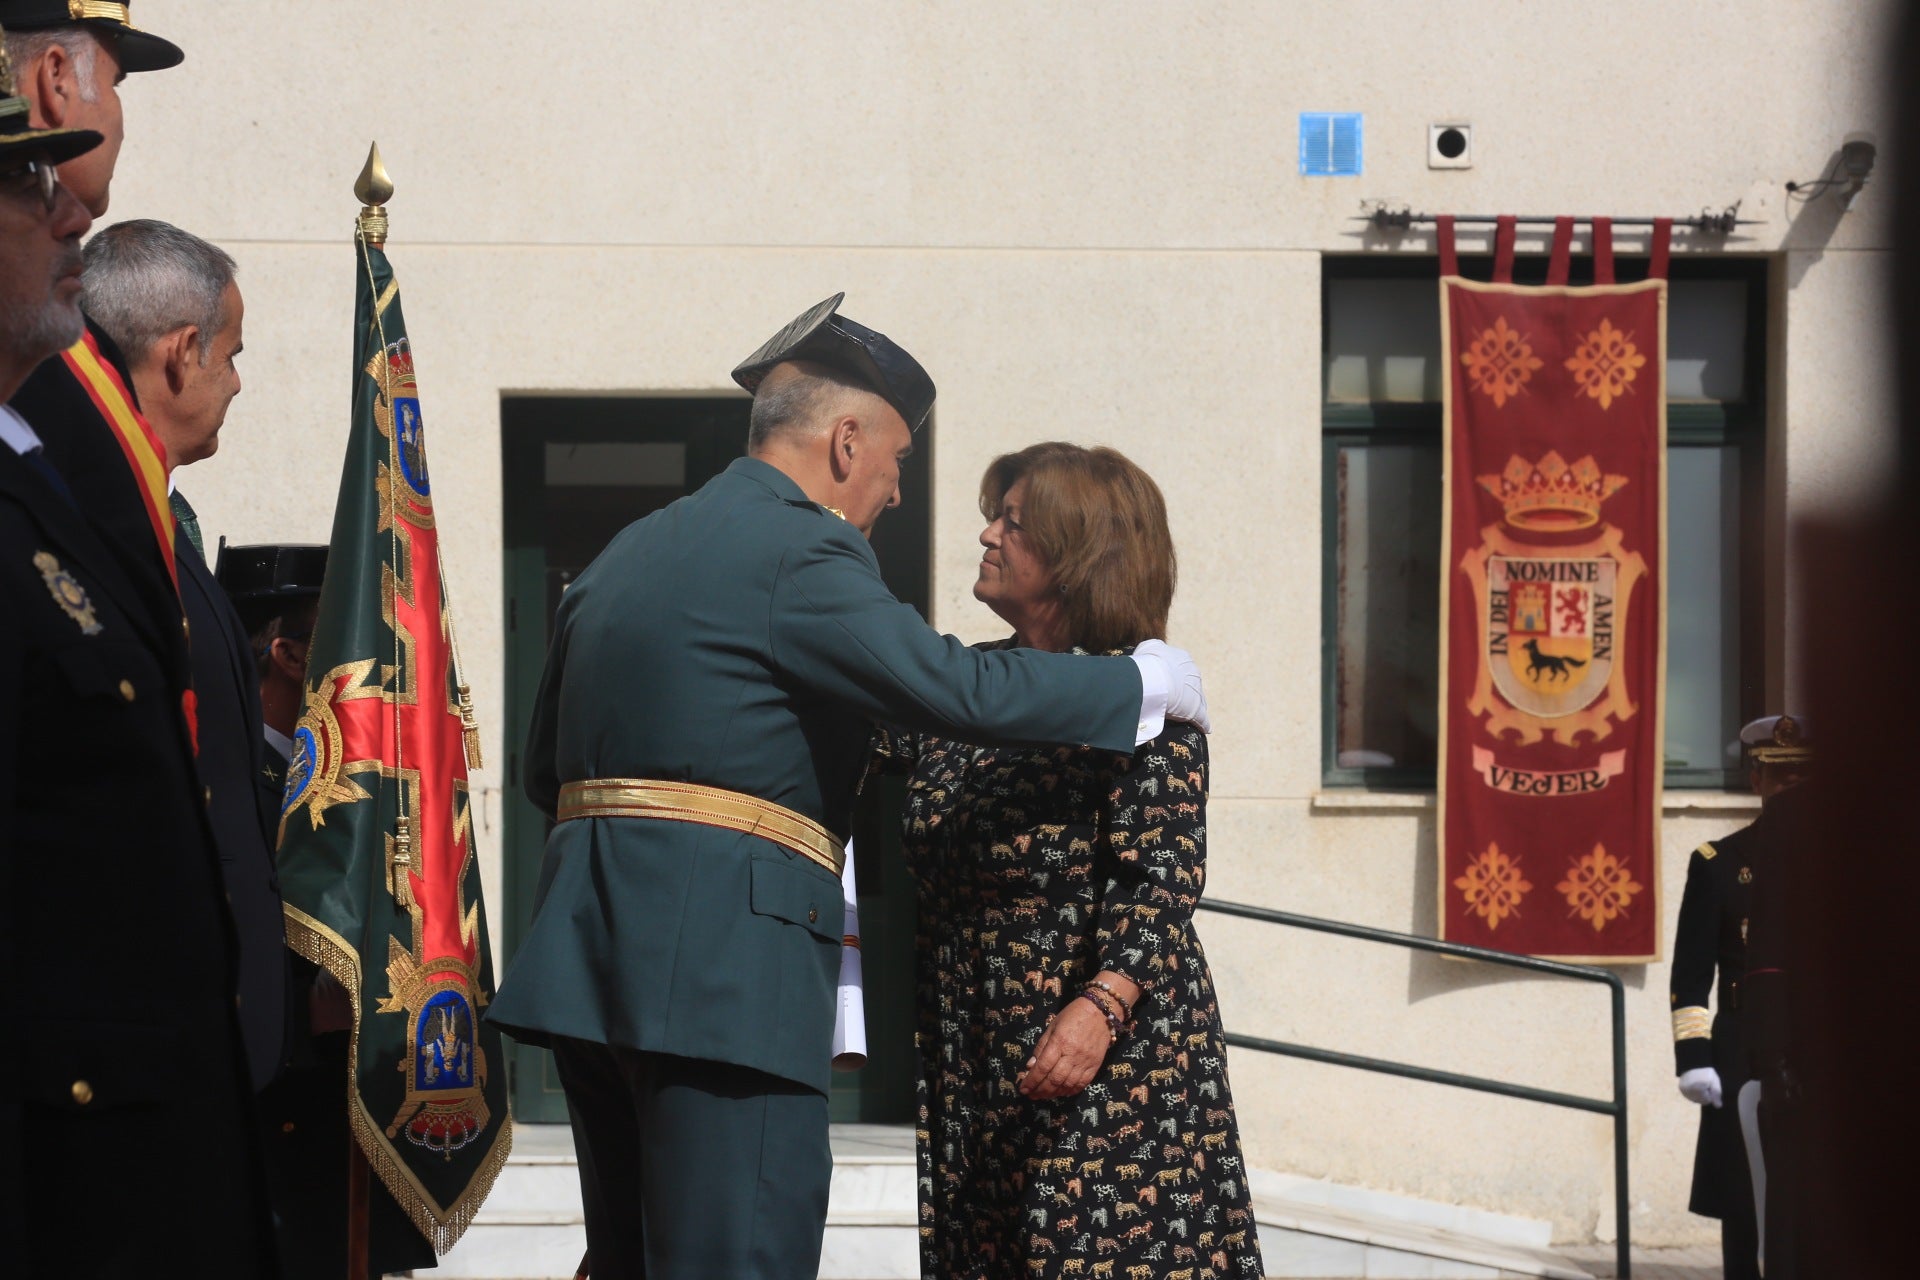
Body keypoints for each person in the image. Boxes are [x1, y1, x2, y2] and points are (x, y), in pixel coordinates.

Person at [487, 294, 1210, 1280]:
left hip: (592, 968)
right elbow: (953, 684)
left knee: (627, 1260)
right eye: (897, 461)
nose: (897, 491)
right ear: (844, 440)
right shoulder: (805, 550)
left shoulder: (626, 552)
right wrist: (1137, 682)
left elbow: (544, 768)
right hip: (726, 984)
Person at [0, 35, 273, 1275]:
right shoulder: (57, 480)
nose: (66, 219)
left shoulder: (57, 489)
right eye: (22, 188)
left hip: (154, 1126)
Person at [869, 442, 1262, 1280]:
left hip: (1104, 1060)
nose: (986, 535)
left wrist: (1099, 1011)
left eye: (1013, 523)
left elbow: (1163, 879)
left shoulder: (1143, 695)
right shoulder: (967, 685)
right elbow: (855, 716)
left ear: (1078, 555)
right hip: (974, 1051)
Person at [78, 217, 291, 1095]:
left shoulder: (161, 520)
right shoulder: (93, 524)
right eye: (230, 355)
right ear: (180, 353)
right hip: (141, 1028)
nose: (237, 383)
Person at [218, 542, 446, 1279]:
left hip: (354, 1113)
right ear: (288, 655)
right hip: (269, 1110)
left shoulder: (362, 781)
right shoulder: (224, 779)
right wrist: (302, 1009)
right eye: (344, 641)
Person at [5, 3, 192, 702]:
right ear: (56, 78)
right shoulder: (30, 337)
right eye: (114, 83)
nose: (117, 116)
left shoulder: (65, 336)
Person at [1669, 713, 1811, 1280]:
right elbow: (1691, 972)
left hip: (1814, 1048)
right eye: (1781, 778)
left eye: (1802, 777)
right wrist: (1695, 1059)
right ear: (1756, 779)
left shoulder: (1841, 863)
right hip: (1740, 1050)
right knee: (1745, 1201)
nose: (1791, 789)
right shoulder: (1721, 864)